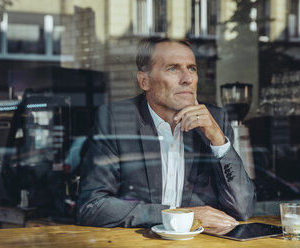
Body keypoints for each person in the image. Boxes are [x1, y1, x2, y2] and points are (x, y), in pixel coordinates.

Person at [77, 37, 256, 228]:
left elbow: (243, 208)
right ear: (144, 81)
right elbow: (92, 207)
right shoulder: (115, 119)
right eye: (173, 68)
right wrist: (180, 215)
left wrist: (218, 140)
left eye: (192, 69)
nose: (187, 79)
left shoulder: (215, 120)